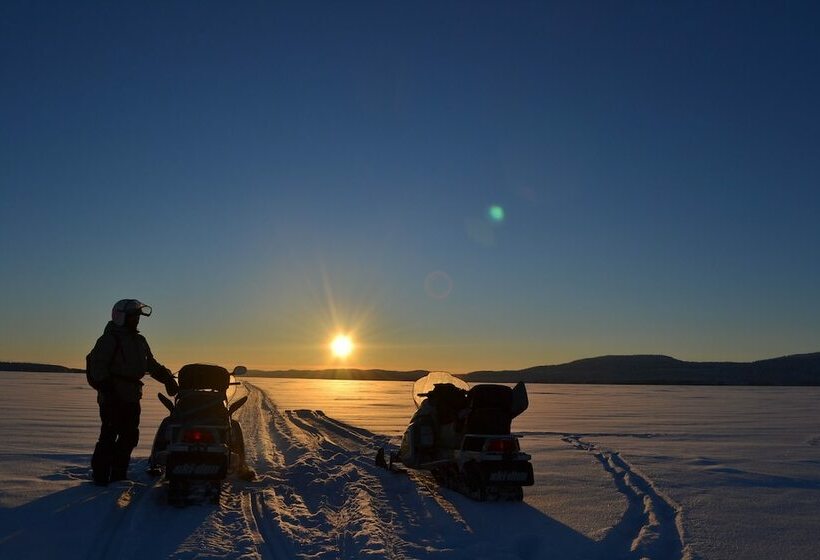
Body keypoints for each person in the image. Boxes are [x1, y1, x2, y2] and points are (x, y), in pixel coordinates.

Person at [88, 299, 179, 485]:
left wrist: (167, 378)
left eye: (137, 317)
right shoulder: (108, 340)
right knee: (108, 436)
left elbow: (150, 364)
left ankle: (119, 474)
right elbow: (98, 367)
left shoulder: (139, 340)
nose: (136, 320)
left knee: (129, 436)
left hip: (132, 397)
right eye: (133, 317)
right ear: (121, 317)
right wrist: (108, 390)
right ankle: (100, 477)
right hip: (112, 397)